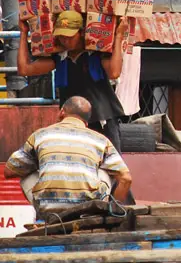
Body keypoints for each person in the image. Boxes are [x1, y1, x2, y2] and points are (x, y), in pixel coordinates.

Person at [17, 11, 127, 152]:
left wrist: (118, 36)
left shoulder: (96, 53)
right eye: (61, 37)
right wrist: (23, 33)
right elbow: (24, 69)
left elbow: (114, 72)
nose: (65, 41)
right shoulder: (60, 58)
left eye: (69, 37)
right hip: (73, 124)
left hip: (103, 120)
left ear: (81, 33)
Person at [4, 96, 132, 213]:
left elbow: (10, 170)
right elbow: (126, 179)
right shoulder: (101, 140)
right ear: (86, 122)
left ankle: (46, 211)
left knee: (25, 173)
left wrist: (43, 164)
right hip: (89, 208)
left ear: (62, 112)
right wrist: (113, 211)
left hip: (48, 207)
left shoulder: (40, 135)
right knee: (108, 170)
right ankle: (104, 211)